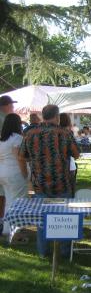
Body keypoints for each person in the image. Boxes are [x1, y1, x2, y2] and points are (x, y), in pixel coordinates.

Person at [19, 104, 79, 257]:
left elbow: (21, 155)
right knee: (65, 218)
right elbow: (77, 154)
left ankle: (43, 252)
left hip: (40, 183)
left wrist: (26, 174)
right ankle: (65, 253)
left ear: (42, 115)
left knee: (41, 220)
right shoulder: (65, 133)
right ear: (57, 116)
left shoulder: (30, 133)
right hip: (62, 182)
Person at [0, 113, 28, 238]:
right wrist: (25, 173)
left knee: (9, 201)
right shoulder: (17, 138)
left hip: (3, 173)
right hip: (15, 173)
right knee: (18, 202)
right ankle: (14, 228)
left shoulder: (2, 139)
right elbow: (20, 158)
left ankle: (8, 228)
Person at [0, 95, 16, 232]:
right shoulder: (4, 119)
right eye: (12, 105)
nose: (13, 107)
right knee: (5, 196)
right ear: (6, 105)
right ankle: (3, 223)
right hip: (7, 163)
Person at [59, 113, 78, 197]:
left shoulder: (53, 132)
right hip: (69, 165)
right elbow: (76, 153)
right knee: (70, 191)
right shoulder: (68, 133)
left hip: (57, 166)